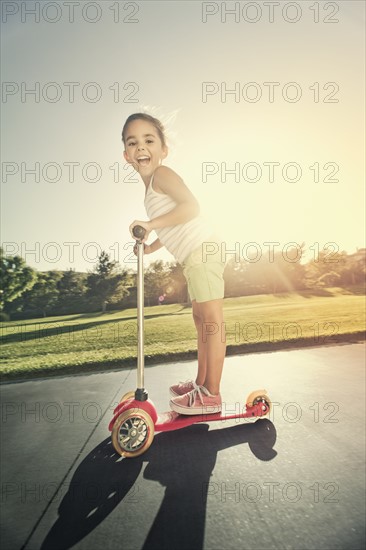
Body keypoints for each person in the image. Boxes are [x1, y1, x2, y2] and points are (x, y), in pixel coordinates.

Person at [122, 113, 226, 415]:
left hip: (203, 249)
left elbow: (191, 208)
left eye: (149, 140)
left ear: (163, 149)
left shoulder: (163, 174)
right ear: (126, 155)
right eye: (133, 142)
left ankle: (212, 394)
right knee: (200, 320)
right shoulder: (150, 191)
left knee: (211, 320)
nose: (141, 147)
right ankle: (201, 384)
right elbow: (172, 226)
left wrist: (151, 223)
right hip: (193, 254)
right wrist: (152, 245)